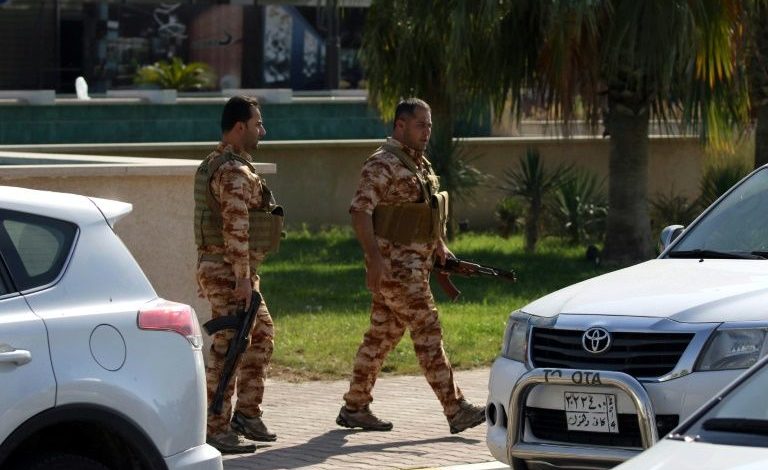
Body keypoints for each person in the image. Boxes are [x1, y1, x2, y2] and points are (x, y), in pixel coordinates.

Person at [336, 97, 486, 434]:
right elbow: (360, 212)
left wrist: (439, 247)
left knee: (381, 336)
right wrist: (374, 260)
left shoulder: (419, 163)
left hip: (416, 267)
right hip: (396, 271)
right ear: (400, 125)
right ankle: (455, 409)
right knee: (427, 330)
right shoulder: (383, 163)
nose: (427, 131)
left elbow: (425, 212)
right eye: (420, 125)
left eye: (429, 125)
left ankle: (355, 406)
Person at [194, 96, 281, 454]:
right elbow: (236, 228)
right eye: (258, 124)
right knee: (229, 348)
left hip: (232, 269)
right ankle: (214, 428)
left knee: (261, 336)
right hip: (229, 272)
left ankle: (246, 414)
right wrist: (242, 279)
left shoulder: (228, 164)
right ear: (240, 127)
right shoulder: (231, 171)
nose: (263, 130)